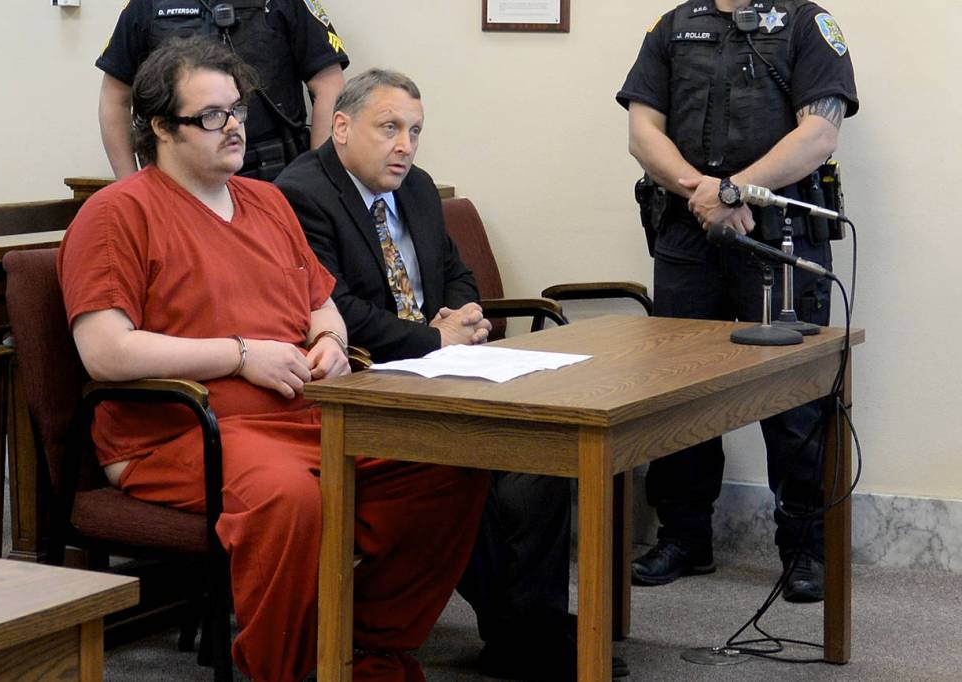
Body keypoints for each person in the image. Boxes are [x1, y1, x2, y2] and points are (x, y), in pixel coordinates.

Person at [59, 37, 488, 682]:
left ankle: (363, 646)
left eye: (237, 109)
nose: (234, 126)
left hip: (301, 414)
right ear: (161, 127)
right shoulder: (117, 214)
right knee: (290, 498)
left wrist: (331, 343)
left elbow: (323, 305)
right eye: (212, 115)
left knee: (450, 460)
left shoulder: (266, 202)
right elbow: (105, 351)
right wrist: (238, 357)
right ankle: (288, 669)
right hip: (182, 432)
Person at [277, 68, 627, 680]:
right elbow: (336, 307)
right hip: (367, 382)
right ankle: (522, 635)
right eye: (389, 128)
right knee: (470, 464)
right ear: (341, 127)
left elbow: (454, 271)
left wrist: (463, 315)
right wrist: (432, 339)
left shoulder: (415, 187)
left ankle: (527, 625)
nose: (405, 146)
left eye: (415, 131)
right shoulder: (301, 194)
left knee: (543, 457)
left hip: (444, 367)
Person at [617, 0, 858, 602]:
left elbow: (820, 133)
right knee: (680, 389)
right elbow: (643, 132)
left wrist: (735, 190)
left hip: (779, 233)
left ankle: (805, 548)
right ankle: (683, 537)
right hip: (687, 231)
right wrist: (706, 194)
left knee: (795, 396)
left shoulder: (806, 24)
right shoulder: (673, 25)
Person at [96, 0, 348, 180]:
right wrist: (128, 183)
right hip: (178, 182)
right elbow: (115, 96)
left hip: (275, 175)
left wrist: (317, 180)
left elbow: (330, 86)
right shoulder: (148, 5)